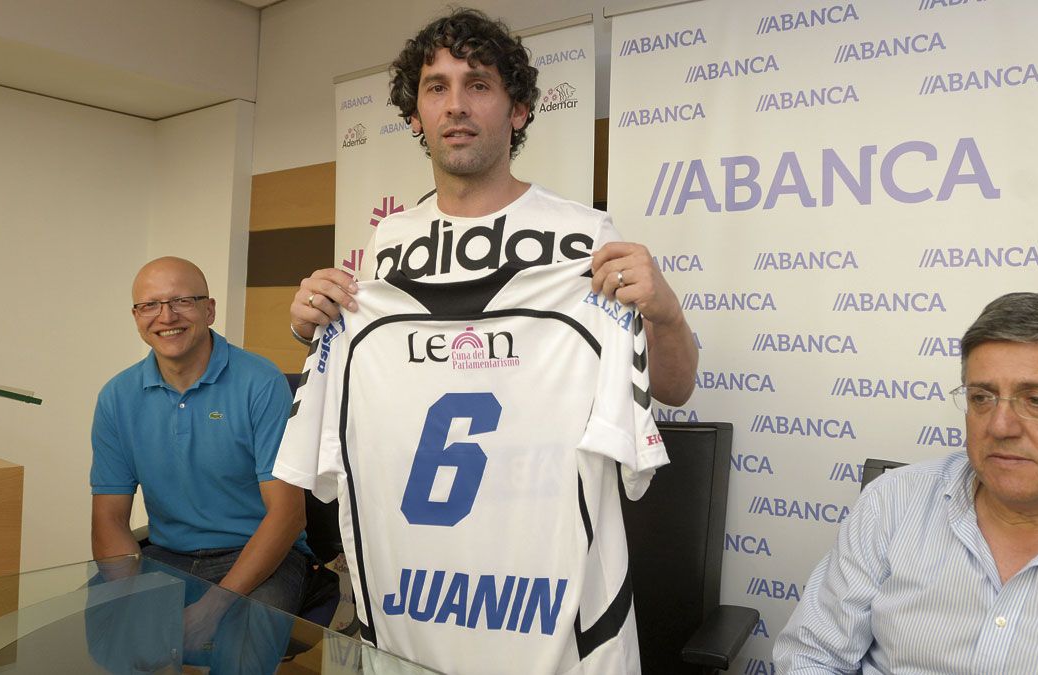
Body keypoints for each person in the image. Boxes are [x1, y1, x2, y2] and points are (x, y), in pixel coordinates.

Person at [287, 8, 697, 407]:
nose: (456, 106)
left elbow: (671, 391)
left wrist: (667, 317)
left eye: (478, 85)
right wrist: (312, 324)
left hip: (546, 477)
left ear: (518, 111)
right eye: (436, 88)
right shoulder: (389, 239)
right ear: (415, 116)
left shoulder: (586, 236)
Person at [774, 292, 1038, 673]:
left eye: (1036, 400)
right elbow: (812, 656)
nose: (1000, 425)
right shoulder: (892, 502)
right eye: (982, 397)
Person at [90, 256, 309, 620]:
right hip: (167, 555)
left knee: (241, 641)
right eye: (150, 305)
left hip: (257, 553)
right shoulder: (117, 397)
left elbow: (288, 516)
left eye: (181, 301)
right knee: (100, 633)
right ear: (136, 318)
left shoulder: (261, 383)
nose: (166, 316)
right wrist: (129, 599)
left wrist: (214, 607)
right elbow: (109, 519)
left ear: (209, 311)